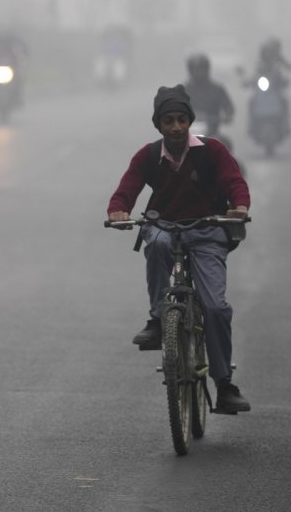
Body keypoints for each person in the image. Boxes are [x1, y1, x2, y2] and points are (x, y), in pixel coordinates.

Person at [106, 84, 252, 413]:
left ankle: (224, 384)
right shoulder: (147, 155)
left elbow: (235, 183)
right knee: (153, 241)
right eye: (169, 120)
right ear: (158, 124)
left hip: (207, 230)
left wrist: (239, 206)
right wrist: (117, 210)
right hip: (165, 227)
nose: (175, 127)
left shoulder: (212, 150)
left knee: (215, 308)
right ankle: (158, 320)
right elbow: (125, 190)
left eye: (181, 120)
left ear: (189, 122)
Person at [183, 53, 235, 137]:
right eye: (196, 69)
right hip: (187, 133)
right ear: (190, 70)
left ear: (207, 69)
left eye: (201, 69)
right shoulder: (183, 91)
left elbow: (229, 107)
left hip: (212, 133)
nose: (199, 73)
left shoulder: (217, 89)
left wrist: (227, 116)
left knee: (226, 143)